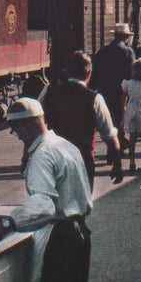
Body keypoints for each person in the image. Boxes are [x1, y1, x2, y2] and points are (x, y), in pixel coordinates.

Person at [3, 96, 93, 282]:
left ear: (28, 125)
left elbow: (43, 208)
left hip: (60, 239)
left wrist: (7, 224)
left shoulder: (42, 156)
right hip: (80, 234)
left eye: (16, 130)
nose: (17, 136)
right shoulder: (65, 145)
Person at [42, 51, 121, 188]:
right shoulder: (94, 99)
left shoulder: (49, 93)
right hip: (83, 163)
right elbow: (109, 135)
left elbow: (35, 124)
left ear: (68, 72)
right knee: (82, 201)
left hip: (54, 161)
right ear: (89, 72)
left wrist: (26, 158)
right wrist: (117, 164)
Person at [92, 23, 136, 144]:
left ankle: (113, 144)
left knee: (108, 118)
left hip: (104, 91)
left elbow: (96, 73)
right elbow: (131, 74)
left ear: (115, 36)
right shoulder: (128, 52)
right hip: (121, 92)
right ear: (126, 37)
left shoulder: (102, 51)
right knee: (119, 118)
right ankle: (119, 142)